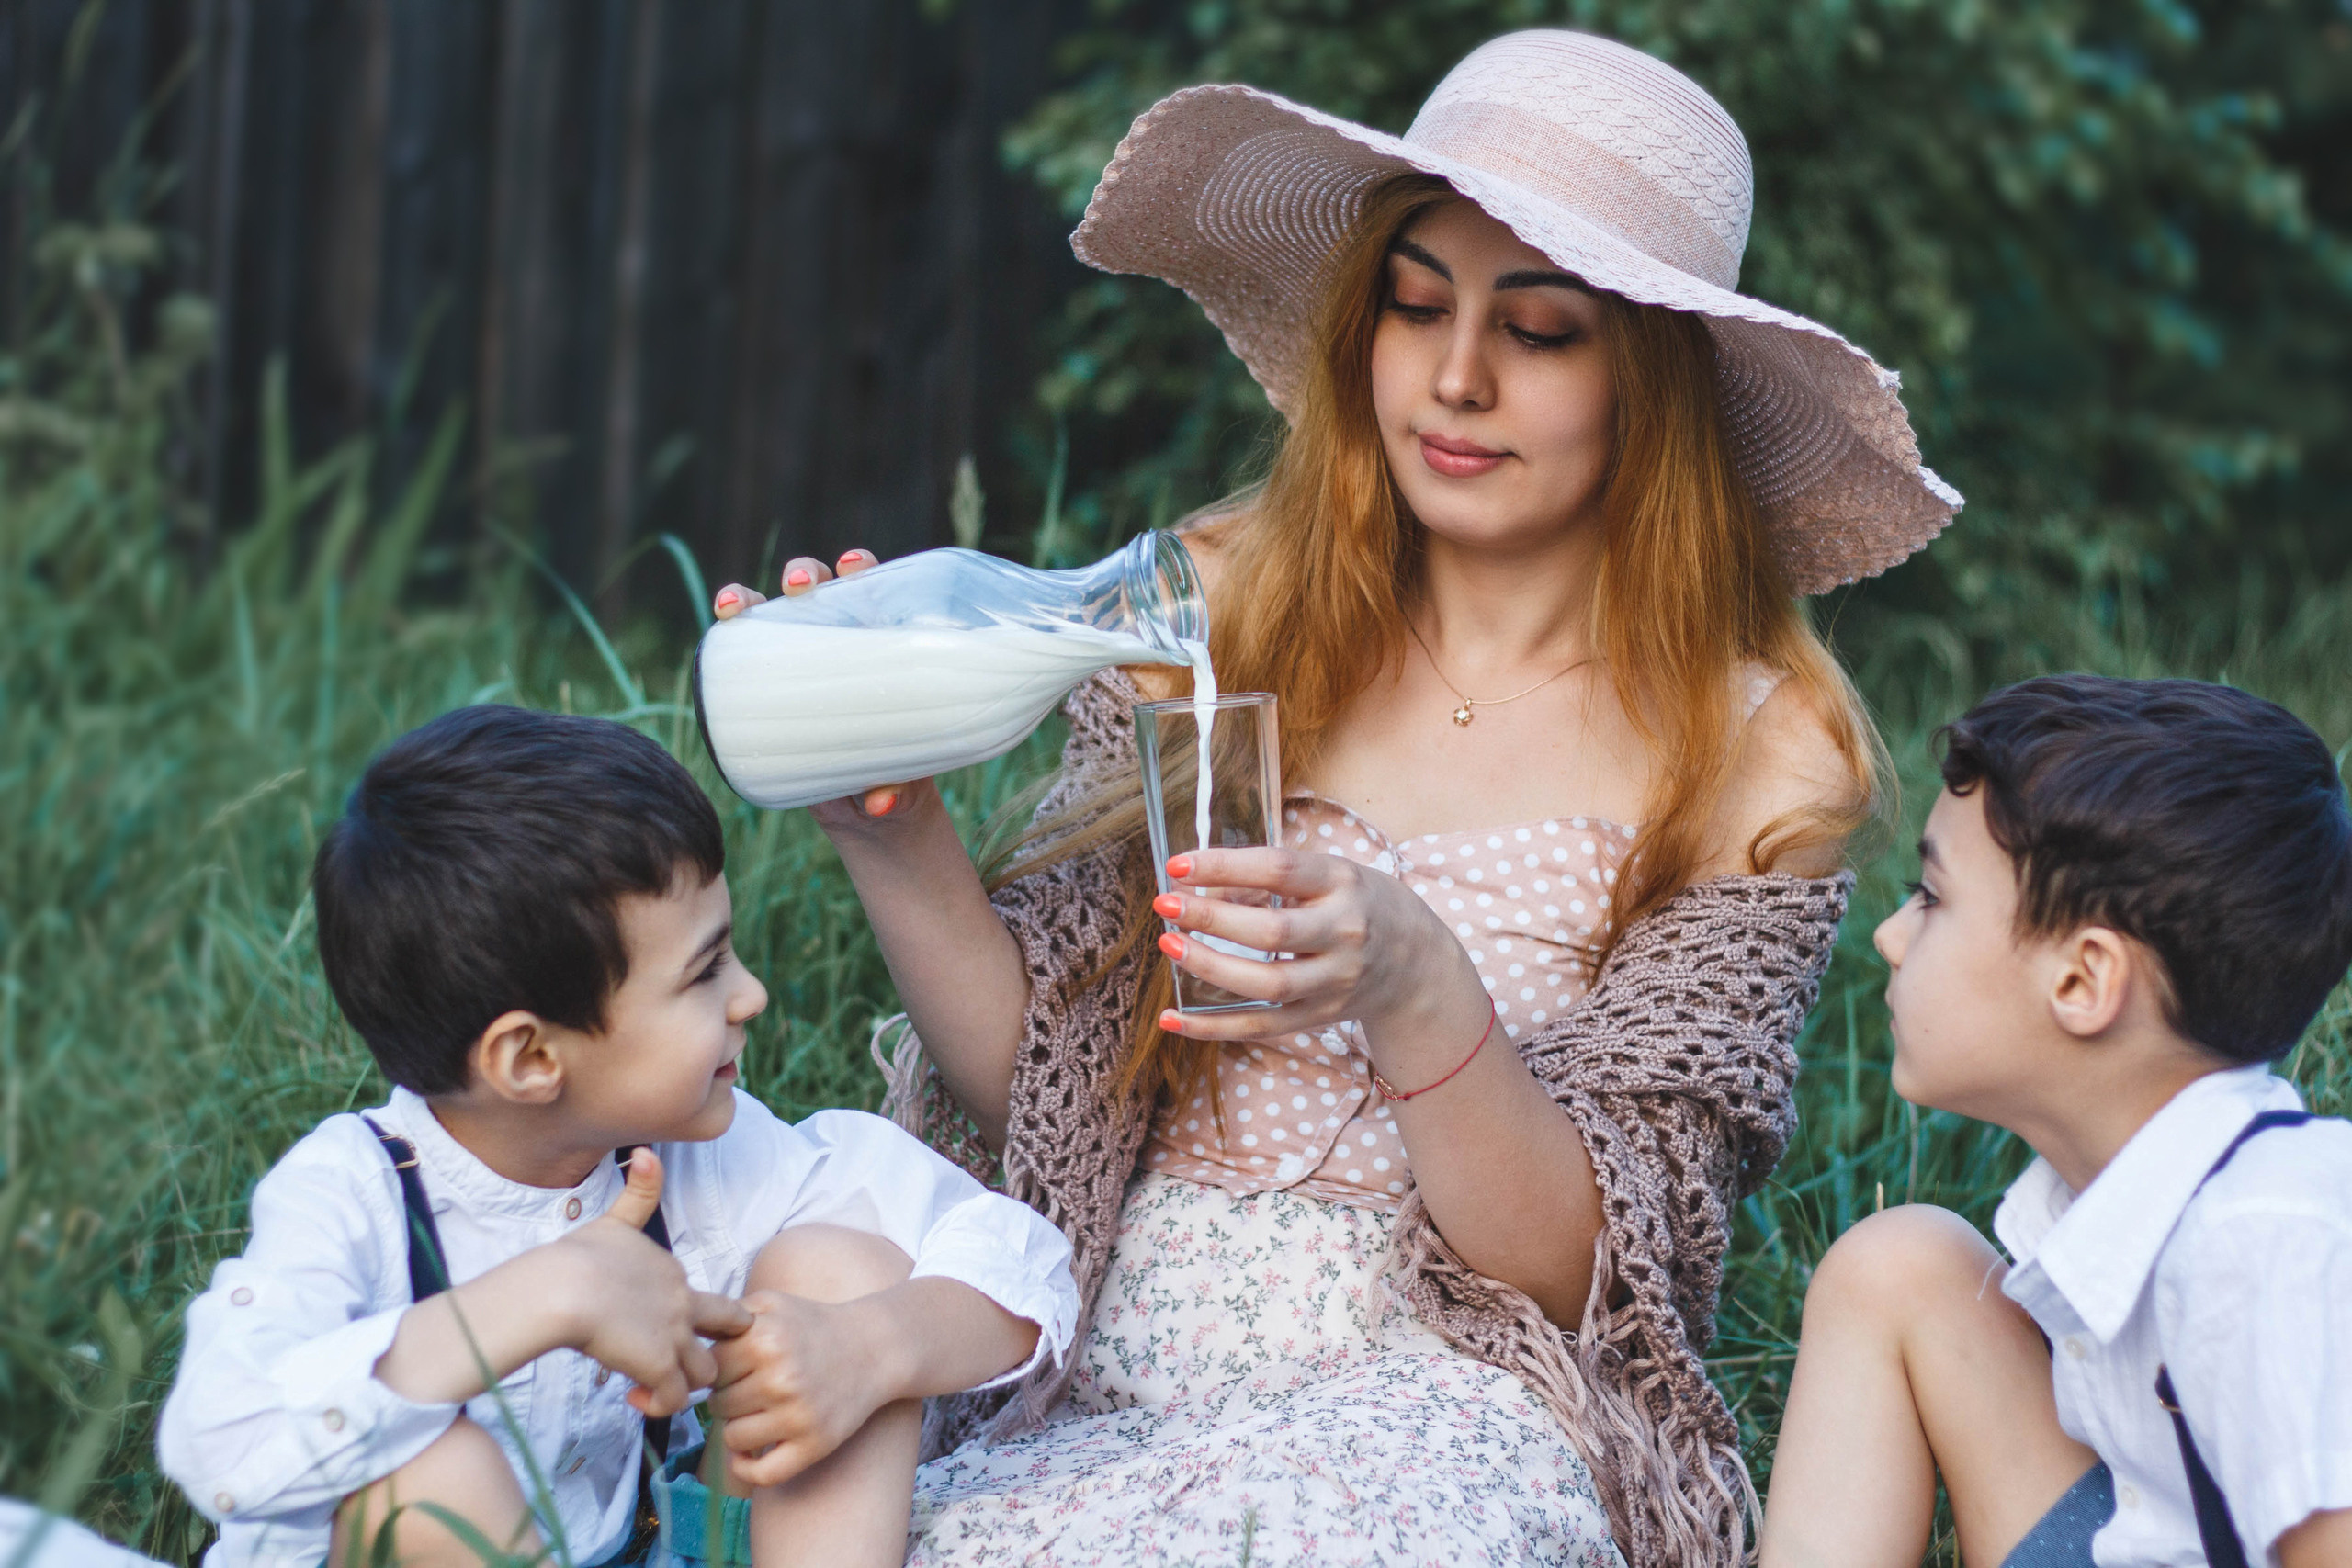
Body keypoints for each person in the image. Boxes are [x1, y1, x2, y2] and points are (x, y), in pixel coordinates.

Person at [714, 29, 1958, 1568]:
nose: (1456, 377)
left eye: (1540, 329)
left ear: (1655, 384)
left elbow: (1590, 1275)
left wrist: (1416, 981)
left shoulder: (1755, 749)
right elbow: (1047, 1079)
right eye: (1416, 305)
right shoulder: (1218, 602)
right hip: (1111, 1345)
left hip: (1452, 1388)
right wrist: (890, 832)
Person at [157, 705, 1080, 1568]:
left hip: (647, 1541)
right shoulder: (350, 1193)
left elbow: (1021, 1257)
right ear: (529, 1058)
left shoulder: (697, 1157)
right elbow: (218, 1442)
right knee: (428, 1483)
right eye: (704, 972)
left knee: (845, 1270)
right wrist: (550, 1293)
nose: (750, 995)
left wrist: (871, 1347)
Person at [1759, 676, 2352, 1568]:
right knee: (1899, 1267)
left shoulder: (2270, 1241)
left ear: (2081, 981)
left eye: (1931, 896)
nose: (1888, 936)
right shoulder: (2129, 1200)